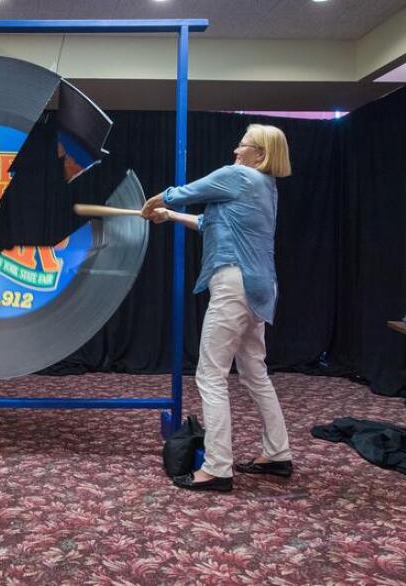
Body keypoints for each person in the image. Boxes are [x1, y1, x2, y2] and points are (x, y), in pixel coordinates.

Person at [142, 123, 293, 493]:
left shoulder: (237, 176)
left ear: (260, 153)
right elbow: (211, 222)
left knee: (210, 375)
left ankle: (217, 468)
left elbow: (186, 192)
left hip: (234, 283)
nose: (236, 150)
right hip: (259, 286)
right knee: (255, 372)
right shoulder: (264, 187)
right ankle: (278, 453)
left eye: (243, 145)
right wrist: (170, 217)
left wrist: (155, 201)